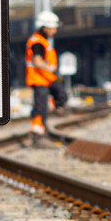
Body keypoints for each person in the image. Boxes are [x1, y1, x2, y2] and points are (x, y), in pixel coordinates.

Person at [25, 11, 65, 144]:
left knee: (61, 95)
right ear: (44, 27)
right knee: (40, 107)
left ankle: (48, 112)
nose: (55, 31)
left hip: (47, 79)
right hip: (39, 79)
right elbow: (37, 60)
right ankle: (37, 133)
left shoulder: (42, 41)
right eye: (53, 28)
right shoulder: (37, 42)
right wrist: (50, 68)